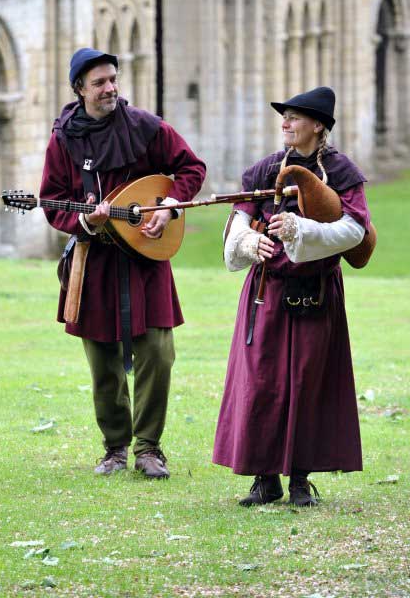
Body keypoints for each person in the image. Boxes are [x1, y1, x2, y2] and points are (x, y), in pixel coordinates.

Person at [40, 48, 206, 479]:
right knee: (103, 359)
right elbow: (51, 200)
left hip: (146, 256)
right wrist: (85, 221)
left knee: (158, 353)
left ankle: (148, 447)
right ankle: (115, 448)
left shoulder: (146, 127)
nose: (110, 88)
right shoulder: (63, 140)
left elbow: (191, 167)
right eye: (99, 82)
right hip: (94, 260)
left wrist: (168, 206)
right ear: (80, 89)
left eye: (113, 79)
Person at [212, 87, 372, 507]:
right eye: (284, 117)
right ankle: (264, 480)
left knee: (307, 381)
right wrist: (250, 243)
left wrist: (301, 231)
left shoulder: (341, 172)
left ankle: (300, 480)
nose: (285, 123)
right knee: (261, 382)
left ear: (318, 125)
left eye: (294, 117)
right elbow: (239, 220)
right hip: (266, 291)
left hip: (315, 293)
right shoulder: (264, 170)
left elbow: (355, 230)